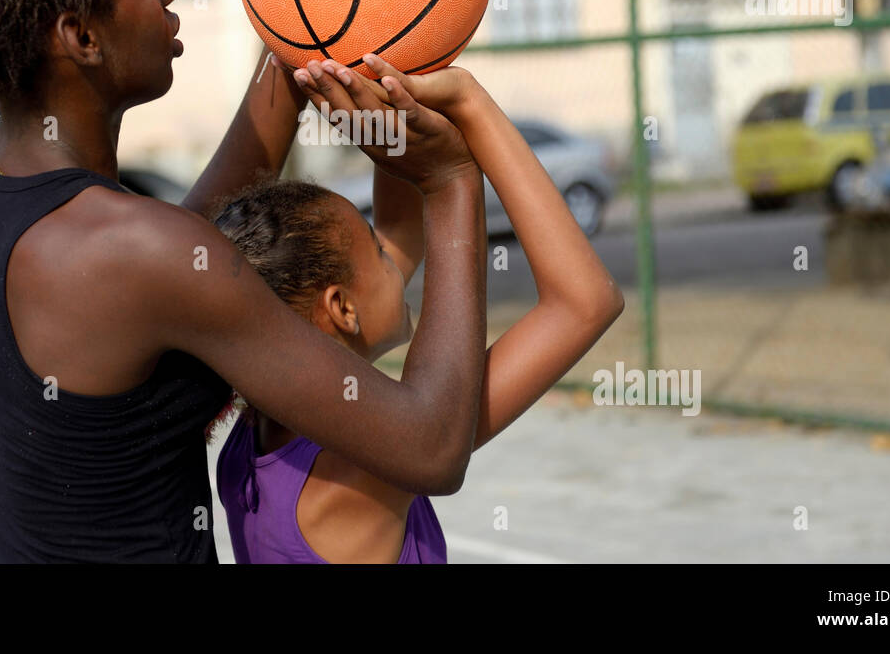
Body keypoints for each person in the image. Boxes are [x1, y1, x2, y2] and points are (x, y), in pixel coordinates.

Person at [0, 0, 489, 562]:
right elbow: (430, 447)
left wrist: (307, 16)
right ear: (82, 37)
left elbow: (169, 254)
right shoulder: (137, 254)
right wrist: (454, 183)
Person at [213, 63, 624, 563]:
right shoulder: (363, 463)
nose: (395, 253)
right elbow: (584, 301)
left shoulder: (258, 427)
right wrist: (469, 112)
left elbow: (403, 228)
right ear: (342, 309)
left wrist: (391, 84)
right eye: (377, 251)